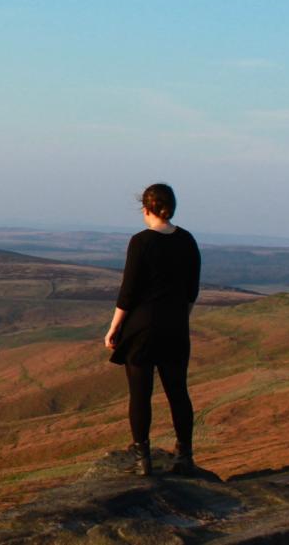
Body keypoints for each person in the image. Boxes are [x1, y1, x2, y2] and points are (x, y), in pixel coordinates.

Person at [104, 183, 201, 476]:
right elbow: (191, 291)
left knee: (140, 393)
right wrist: (180, 318)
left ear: (145, 210)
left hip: (142, 329)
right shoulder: (187, 240)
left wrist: (113, 329)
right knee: (178, 392)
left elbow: (128, 291)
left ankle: (142, 458)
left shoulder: (141, 241)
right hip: (175, 328)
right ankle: (184, 455)